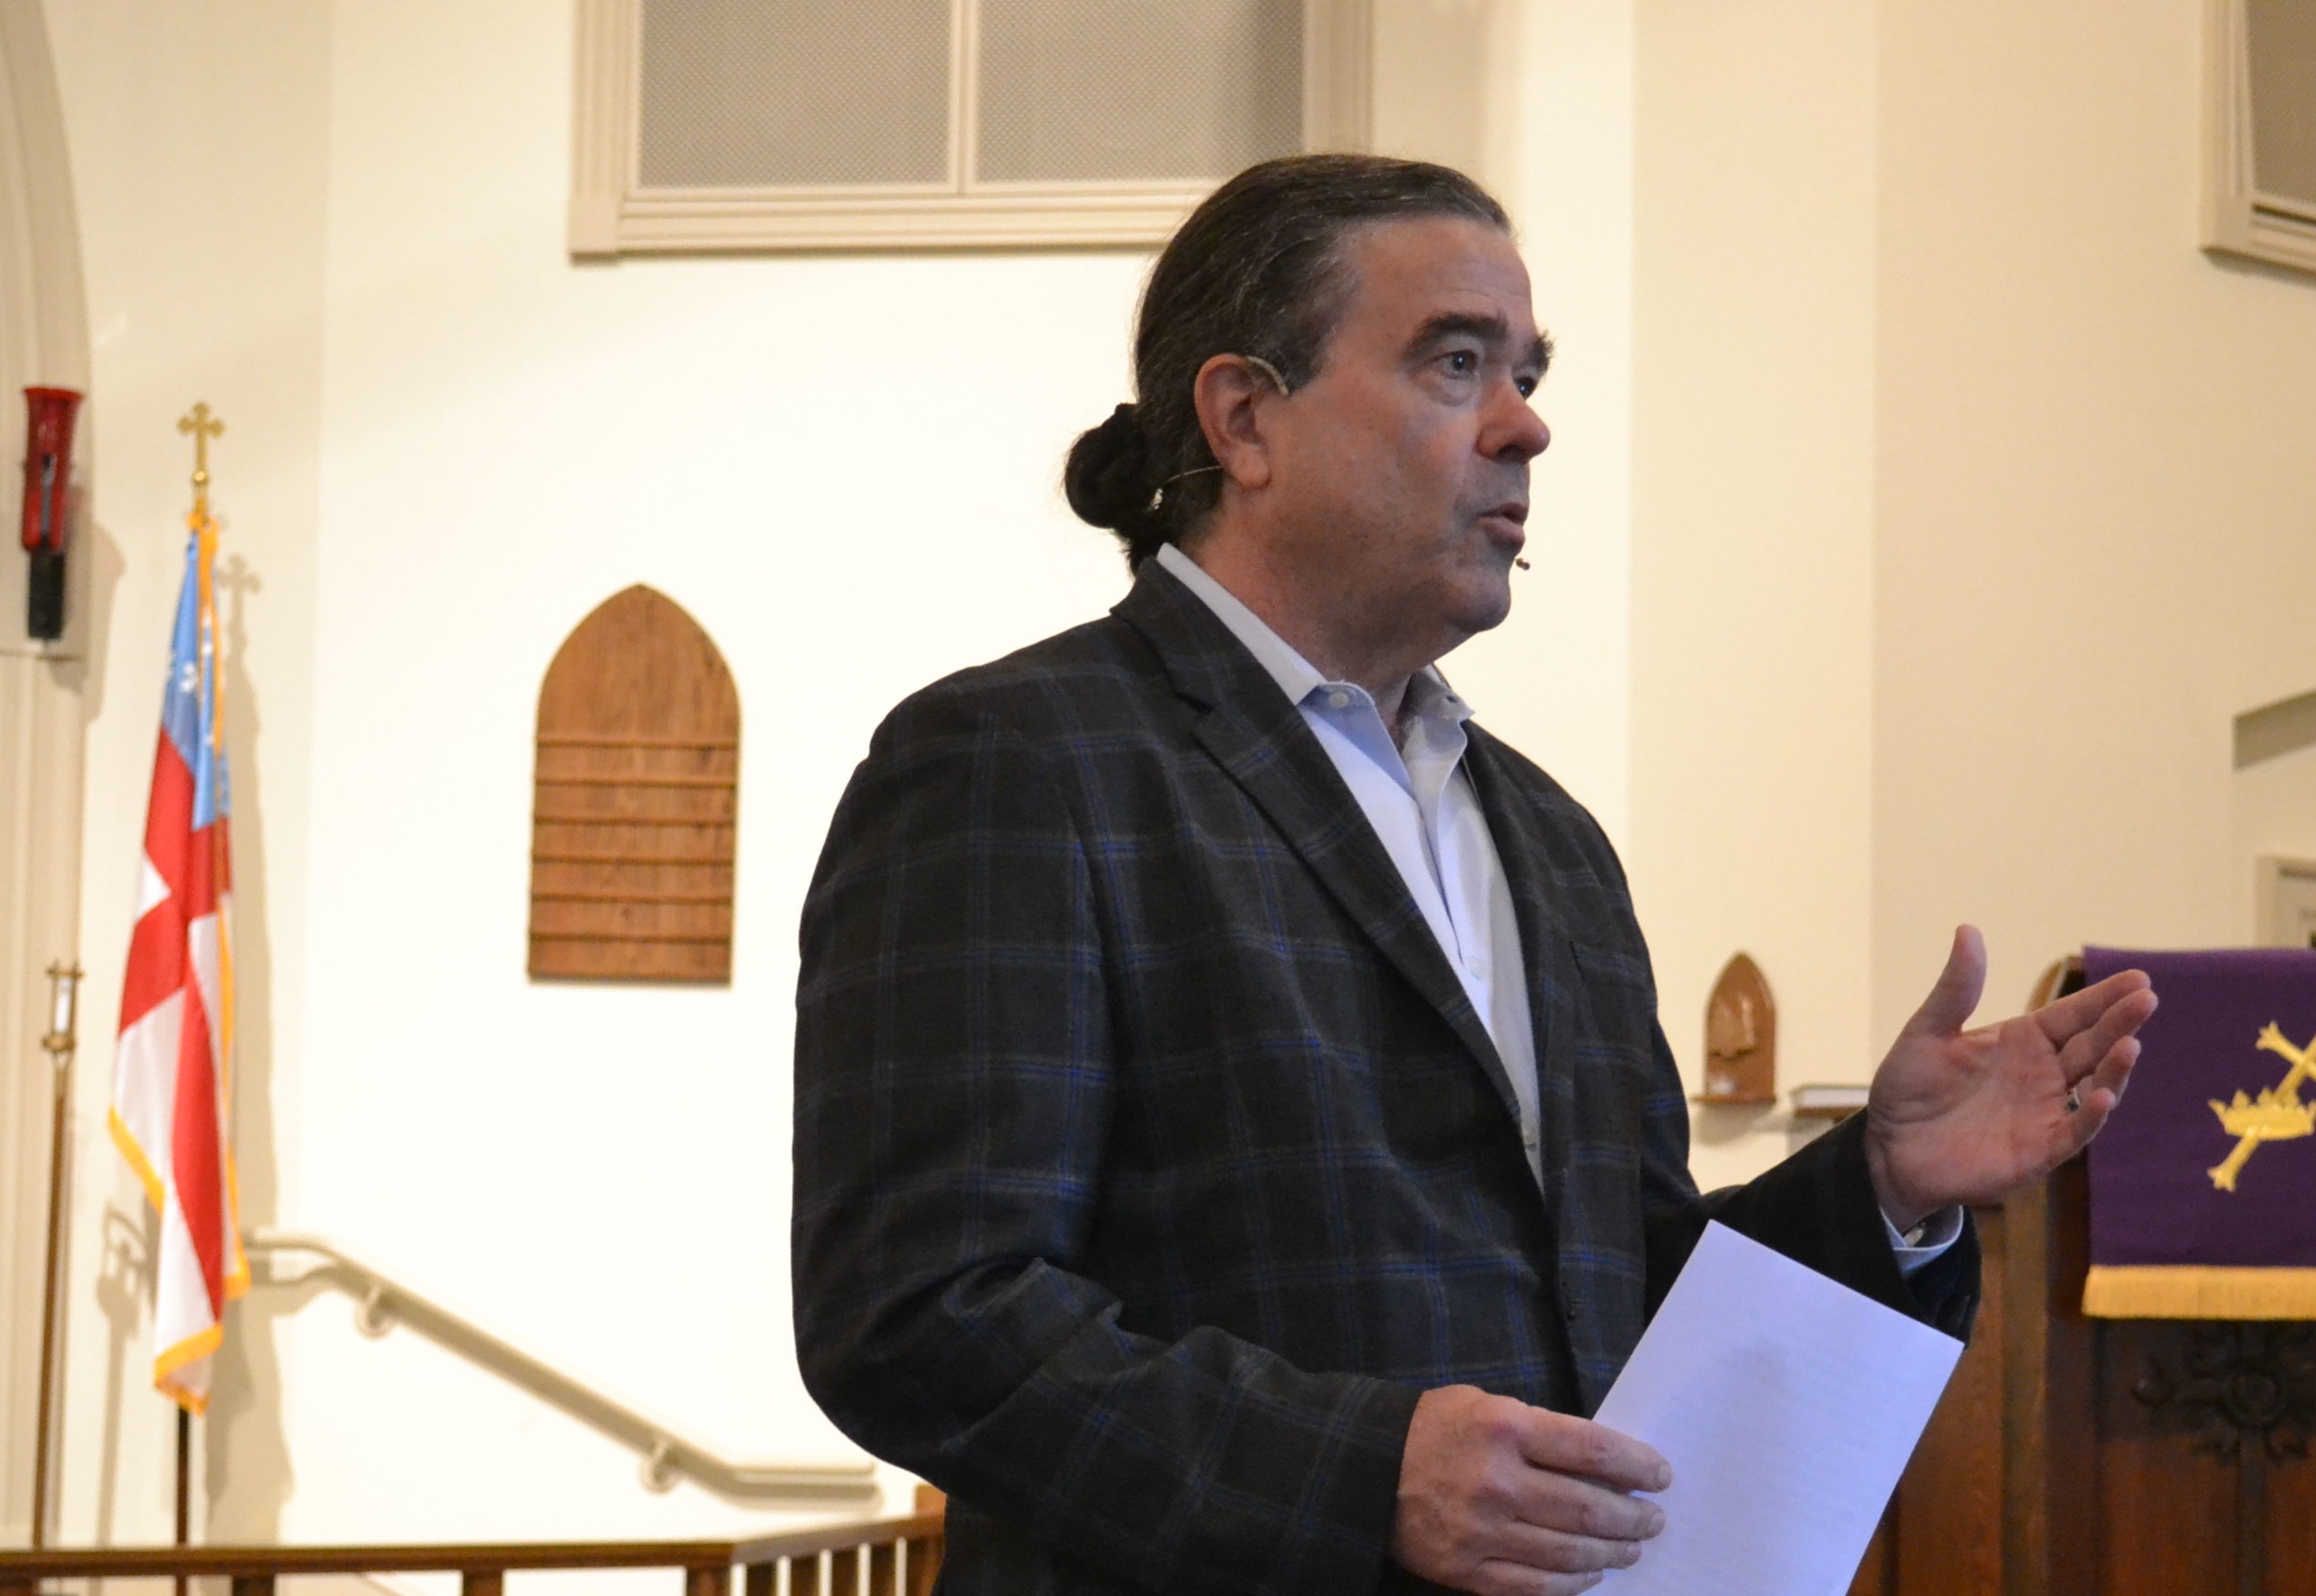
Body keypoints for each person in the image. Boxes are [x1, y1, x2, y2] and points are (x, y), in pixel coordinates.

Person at [793, 153, 2155, 1596]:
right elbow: (921, 1316)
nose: (1527, 424)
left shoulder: (1553, 841)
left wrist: (1879, 1186)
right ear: (1245, 418)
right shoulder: (1022, 762)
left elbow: (1611, 1299)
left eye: (1527, 371)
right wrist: (1364, 1474)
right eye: (1456, 363)